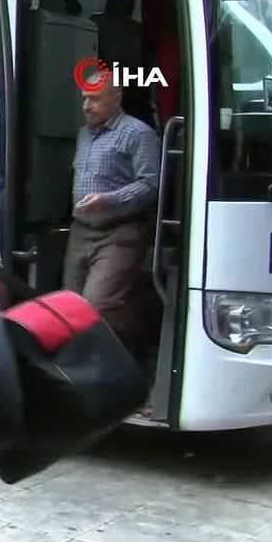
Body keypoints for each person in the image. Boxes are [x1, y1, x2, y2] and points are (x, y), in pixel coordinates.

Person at [64, 72, 160, 364]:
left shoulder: (137, 133)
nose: (87, 106)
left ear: (116, 98)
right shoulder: (84, 134)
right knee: (70, 304)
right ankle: (81, 373)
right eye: (84, 99)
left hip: (120, 231)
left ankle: (118, 375)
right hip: (82, 230)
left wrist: (109, 200)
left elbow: (151, 184)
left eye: (95, 98)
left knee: (99, 304)